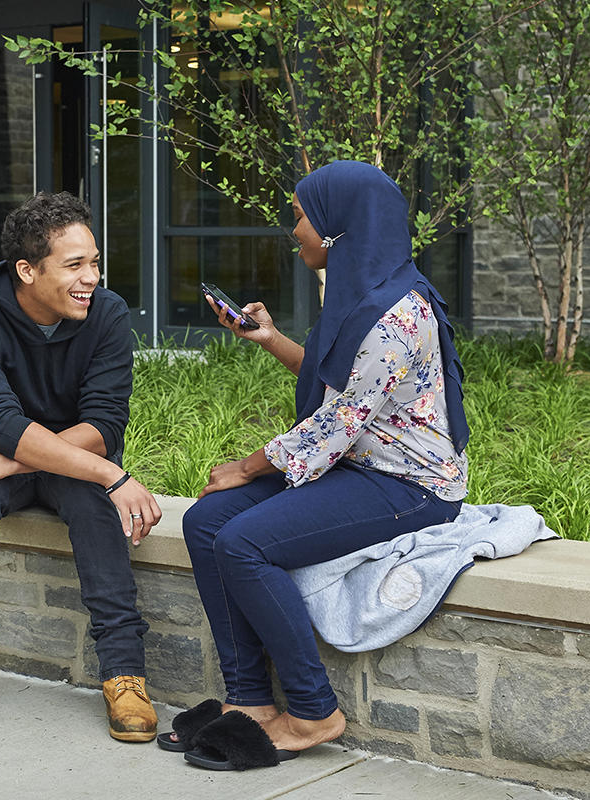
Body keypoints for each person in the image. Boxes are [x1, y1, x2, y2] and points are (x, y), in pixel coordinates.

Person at [177, 161, 471, 759]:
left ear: (339, 225)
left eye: (302, 216)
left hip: (409, 485)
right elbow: (344, 388)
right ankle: (251, 699)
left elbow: (339, 422)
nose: (296, 231)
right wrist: (270, 338)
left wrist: (248, 465)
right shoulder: (364, 289)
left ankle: (314, 713)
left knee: (243, 542)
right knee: (204, 522)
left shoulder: (396, 315)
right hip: (358, 466)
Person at [0, 191, 165, 743]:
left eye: (94, 262)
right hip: (6, 461)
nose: (91, 277)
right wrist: (112, 473)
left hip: (60, 462)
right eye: (75, 265)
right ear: (26, 270)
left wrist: (14, 462)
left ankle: (124, 672)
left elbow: (106, 422)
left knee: (90, 501)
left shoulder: (106, 313)